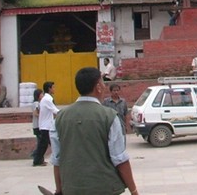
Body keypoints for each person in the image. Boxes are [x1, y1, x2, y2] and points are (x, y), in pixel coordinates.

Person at [49, 67, 139, 195]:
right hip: (104, 188)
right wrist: (134, 191)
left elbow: (57, 159)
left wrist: (59, 190)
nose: (104, 86)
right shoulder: (109, 116)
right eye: (103, 82)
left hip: (72, 188)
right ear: (98, 87)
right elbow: (120, 159)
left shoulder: (59, 118)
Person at [34, 81, 59, 167]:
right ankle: (37, 160)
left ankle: (38, 160)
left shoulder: (46, 99)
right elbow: (55, 110)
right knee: (47, 144)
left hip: (46, 125)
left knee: (44, 144)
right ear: (49, 89)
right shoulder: (47, 99)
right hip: (46, 126)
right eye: (53, 87)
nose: (54, 89)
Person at [31, 88, 43, 158]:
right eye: (41, 94)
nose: (42, 95)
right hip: (37, 126)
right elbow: (35, 113)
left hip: (37, 126)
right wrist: (43, 116)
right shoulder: (36, 103)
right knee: (40, 143)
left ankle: (37, 155)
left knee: (40, 143)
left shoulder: (38, 103)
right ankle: (35, 154)